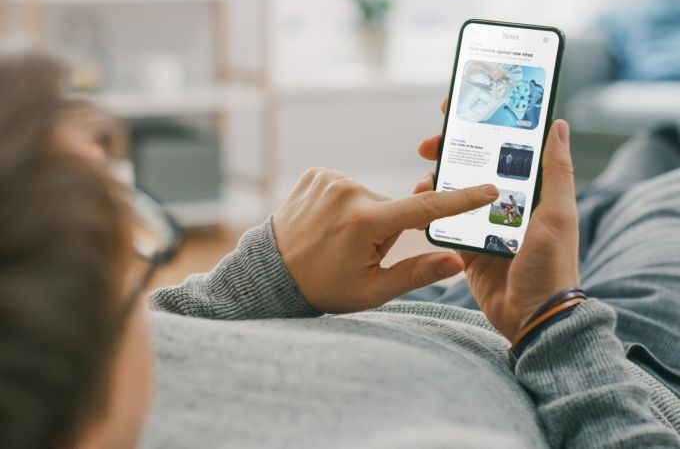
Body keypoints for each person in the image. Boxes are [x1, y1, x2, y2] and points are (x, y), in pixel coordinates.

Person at [1, 54, 679, 449]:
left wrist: (273, 274)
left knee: (614, 183)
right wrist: (550, 319)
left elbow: (164, 324)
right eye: (130, 260)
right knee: (661, 170)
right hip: (601, 365)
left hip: (449, 309)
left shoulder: (47, 354)